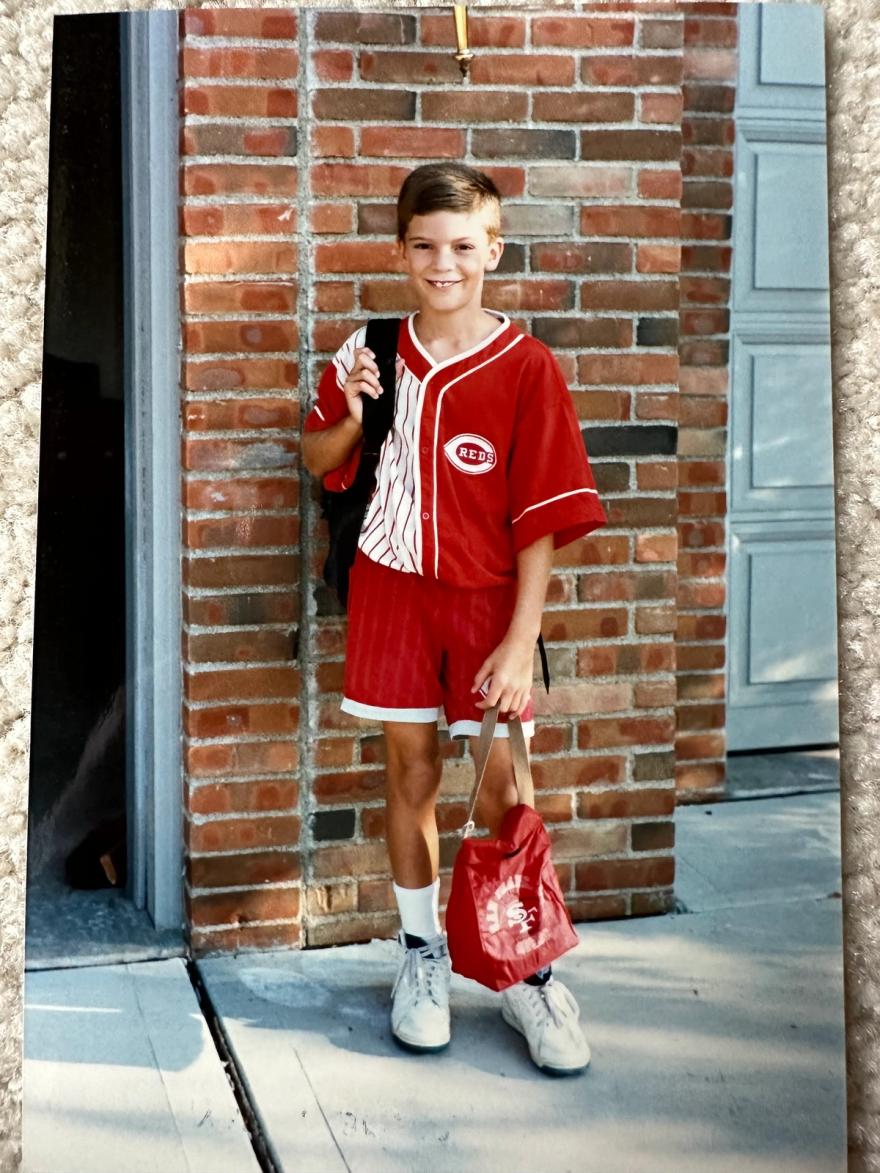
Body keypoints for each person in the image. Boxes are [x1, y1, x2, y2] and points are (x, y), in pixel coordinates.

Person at [302, 162, 607, 1076]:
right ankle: (420, 954)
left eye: (463, 246)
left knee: (503, 786)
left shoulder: (526, 366)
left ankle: (528, 973)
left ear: (493, 250)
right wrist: (354, 412)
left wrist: (519, 641)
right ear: (401, 252)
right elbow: (316, 456)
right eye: (425, 246)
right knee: (412, 773)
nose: (444, 264)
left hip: (487, 605)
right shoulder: (369, 347)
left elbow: (540, 521)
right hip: (392, 591)